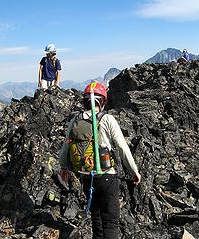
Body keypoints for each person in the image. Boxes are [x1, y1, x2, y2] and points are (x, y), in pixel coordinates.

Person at [59, 81, 141, 239]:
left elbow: (66, 147)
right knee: (110, 222)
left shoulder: (75, 120)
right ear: (102, 100)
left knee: (96, 221)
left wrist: (64, 167)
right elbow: (123, 148)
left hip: (86, 177)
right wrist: (134, 171)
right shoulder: (107, 119)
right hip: (107, 176)